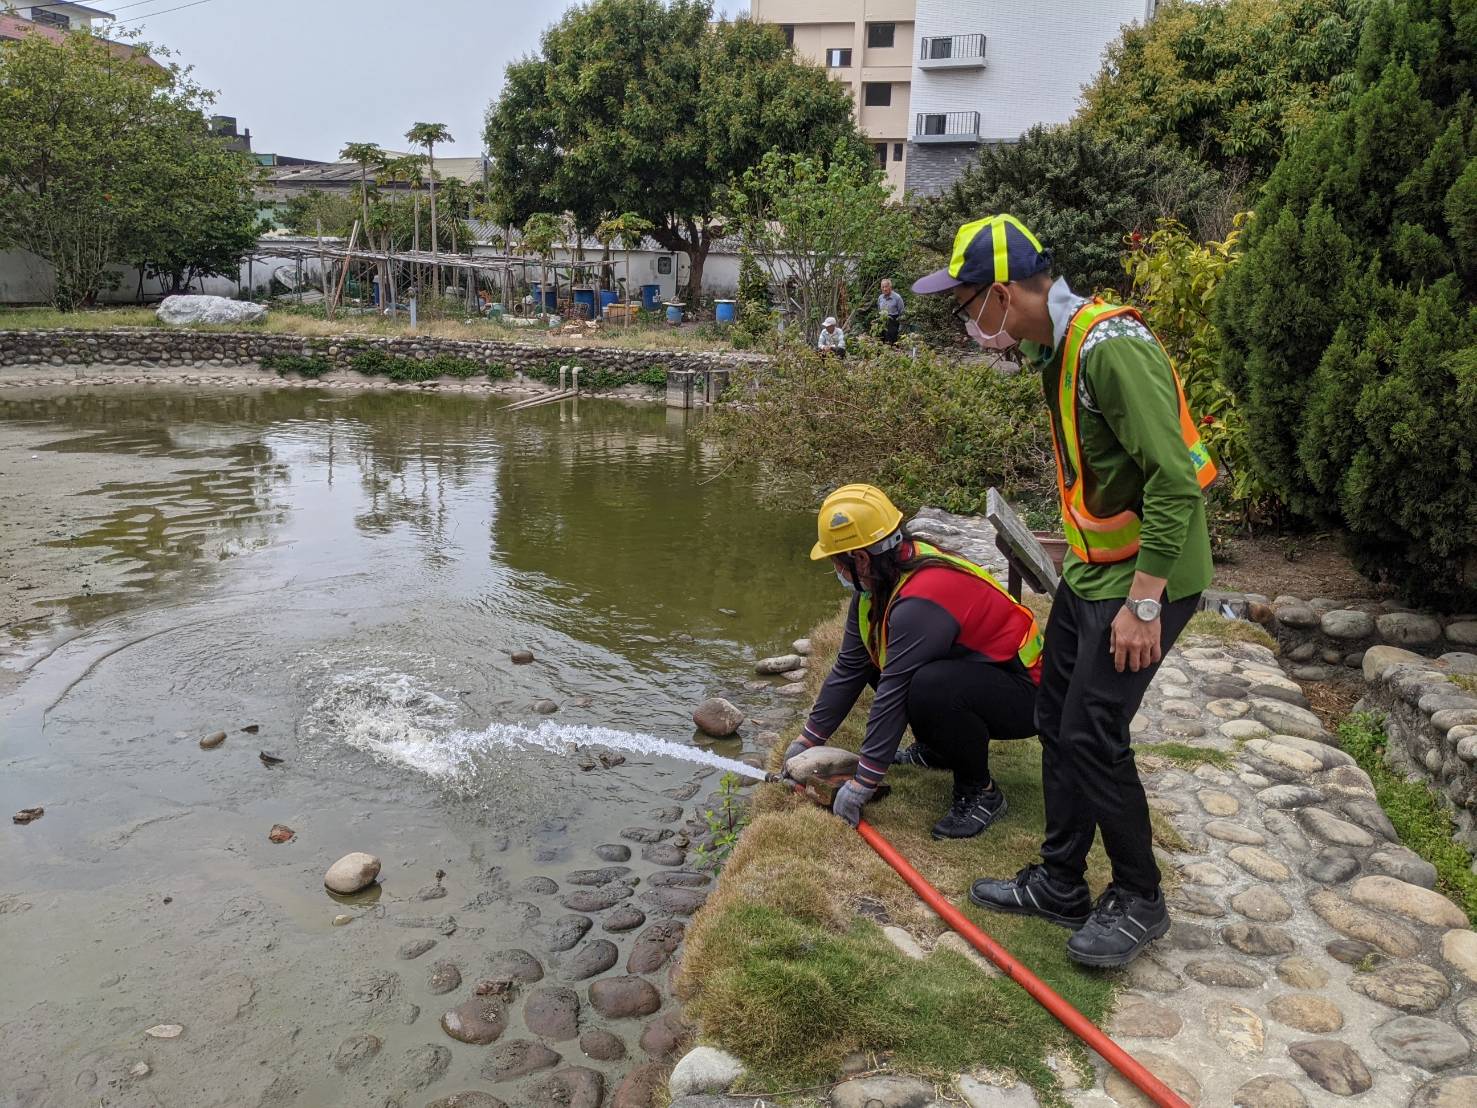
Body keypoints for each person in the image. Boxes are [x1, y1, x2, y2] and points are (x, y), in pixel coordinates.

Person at [911, 214, 1216, 967]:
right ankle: (1059, 880)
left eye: (966, 304)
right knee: (1055, 716)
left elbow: (1176, 481)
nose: (965, 322)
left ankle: (1140, 897)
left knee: (1093, 730)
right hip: (1092, 568)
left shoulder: (1111, 348)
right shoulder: (1054, 347)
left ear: (1003, 293)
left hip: (1147, 575)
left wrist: (1144, 602)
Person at [781, 484, 1044, 840]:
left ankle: (980, 792)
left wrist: (863, 783)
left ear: (860, 559)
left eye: (836, 562)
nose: (836, 570)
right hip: (983, 675)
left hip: (1029, 693)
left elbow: (894, 690)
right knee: (884, 660)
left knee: (930, 686)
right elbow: (851, 667)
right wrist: (808, 739)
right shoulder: (882, 581)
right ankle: (940, 751)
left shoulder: (923, 597)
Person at [877, 278, 905, 345]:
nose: (884, 289)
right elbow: (879, 310)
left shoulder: (897, 298)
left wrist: (900, 328)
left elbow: (902, 314)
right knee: (882, 344)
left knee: (892, 345)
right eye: (883, 287)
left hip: (893, 324)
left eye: (886, 286)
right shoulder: (880, 298)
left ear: (890, 287)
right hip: (883, 324)